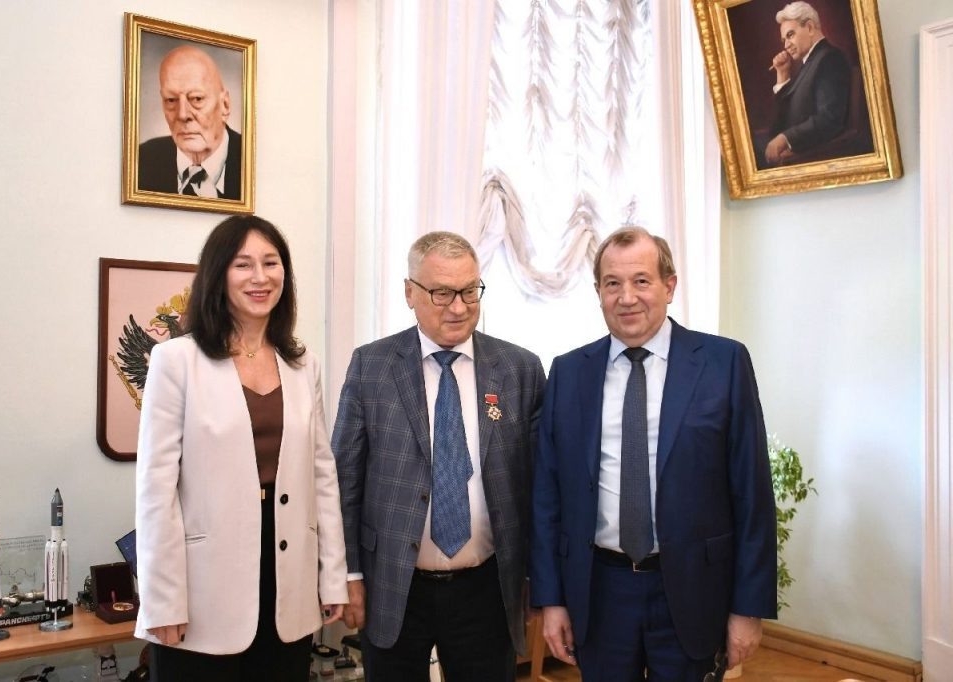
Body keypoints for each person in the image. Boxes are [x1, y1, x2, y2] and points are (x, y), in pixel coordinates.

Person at [530, 227, 776, 681]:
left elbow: (752, 493)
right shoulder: (569, 372)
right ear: (598, 292)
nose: (627, 297)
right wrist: (552, 600)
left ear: (669, 285)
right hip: (599, 591)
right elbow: (548, 496)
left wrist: (748, 608)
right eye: (612, 283)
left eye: (641, 280)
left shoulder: (723, 363)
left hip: (692, 589)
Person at [134, 215, 347, 681]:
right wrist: (162, 600)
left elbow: (322, 477)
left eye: (271, 263)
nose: (260, 277)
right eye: (243, 264)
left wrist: (332, 575)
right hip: (203, 588)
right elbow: (156, 490)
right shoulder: (176, 361)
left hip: (288, 582)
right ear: (218, 274)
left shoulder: (302, 364)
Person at [332, 231, 546, 681]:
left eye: (469, 291)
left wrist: (536, 577)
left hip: (487, 588)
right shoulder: (372, 366)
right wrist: (348, 574)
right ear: (410, 293)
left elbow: (538, 487)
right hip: (394, 582)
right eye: (442, 293)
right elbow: (344, 481)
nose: (459, 307)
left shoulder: (519, 369)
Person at [138, 45, 242, 199]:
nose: (182, 114)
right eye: (171, 100)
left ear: (225, 105)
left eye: (197, 99)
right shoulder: (141, 161)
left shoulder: (254, 161)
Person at [763, 1, 851, 166]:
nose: (786, 45)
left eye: (790, 35)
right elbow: (785, 117)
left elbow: (829, 119)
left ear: (810, 27)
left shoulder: (829, 58)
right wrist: (782, 74)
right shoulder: (810, 61)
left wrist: (785, 139)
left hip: (811, 155)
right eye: (784, 40)